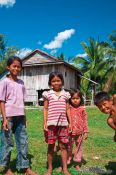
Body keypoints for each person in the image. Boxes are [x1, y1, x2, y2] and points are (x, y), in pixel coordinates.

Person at [0, 56, 38, 175]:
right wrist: (4, 119)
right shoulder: (4, 82)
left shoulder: (21, 83)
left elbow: (22, 101)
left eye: (18, 66)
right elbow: (2, 101)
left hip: (20, 117)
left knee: (23, 141)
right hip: (9, 118)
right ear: (8, 67)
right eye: (14, 66)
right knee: (7, 142)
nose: (16, 68)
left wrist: (25, 118)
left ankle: (24, 166)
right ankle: (6, 168)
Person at [42, 72, 72, 175]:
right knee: (51, 146)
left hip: (63, 124)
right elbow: (45, 108)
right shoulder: (47, 94)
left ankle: (65, 168)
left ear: (62, 81)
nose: (56, 83)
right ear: (50, 82)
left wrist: (70, 122)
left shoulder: (66, 94)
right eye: (53, 81)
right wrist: (44, 122)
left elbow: (68, 109)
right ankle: (49, 169)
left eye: (58, 80)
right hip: (51, 124)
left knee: (63, 146)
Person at [67, 89, 89, 171]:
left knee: (79, 148)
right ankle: (66, 162)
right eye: (73, 98)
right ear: (70, 99)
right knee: (68, 147)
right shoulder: (68, 108)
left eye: (77, 98)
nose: (75, 100)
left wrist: (86, 131)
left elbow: (85, 120)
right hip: (70, 133)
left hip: (80, 133)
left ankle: (77, 163)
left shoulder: (82, 109)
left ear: (81, 99)